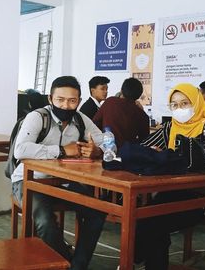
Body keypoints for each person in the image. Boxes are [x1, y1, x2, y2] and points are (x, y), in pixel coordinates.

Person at [11, 76, 106, 270]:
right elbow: (20, 150)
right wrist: (62, 150)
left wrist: (99, 150)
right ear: (50, 99)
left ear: (79, 101)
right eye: (60, 100)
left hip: (63, 182)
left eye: (72, 101)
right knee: (45, 222)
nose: (66, 105)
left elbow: (106, 140)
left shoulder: (80, 118)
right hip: (29, 181)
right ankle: (66, 260)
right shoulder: (38, 117)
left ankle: (77, 265)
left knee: (97, 211)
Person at [136, 83, 205, 269]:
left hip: (203, 195)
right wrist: (154, 152)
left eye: (185, 103)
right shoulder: (170, 127)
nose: (179, 109)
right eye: (174, 105)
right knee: (144, 216)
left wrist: (175, 157)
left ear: (197, 102)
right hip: (171, 191)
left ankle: (139, 258)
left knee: (155, 223)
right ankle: (144, 260)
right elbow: (142, 148)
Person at [92, 77, 149, 148]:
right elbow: (145, 140)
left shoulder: (110, 102)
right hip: (128, 154)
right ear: (139, 95)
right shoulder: (142, 115)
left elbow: (94, 124)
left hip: (106, 150)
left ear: (121, 90)